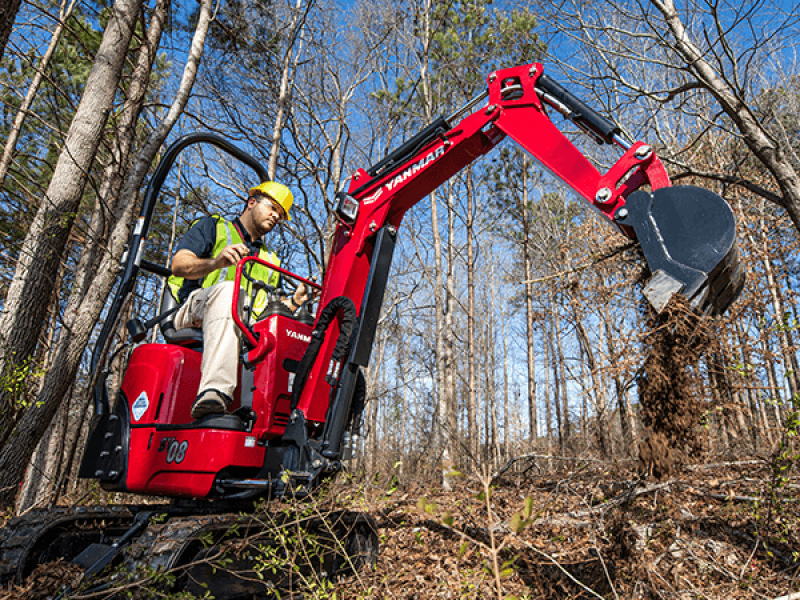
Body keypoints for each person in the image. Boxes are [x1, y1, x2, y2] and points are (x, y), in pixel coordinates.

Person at [169, 181, 313, 419]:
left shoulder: (270, 259)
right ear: (251, 202)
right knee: (228, 290)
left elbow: (269, 312)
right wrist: (216, 262)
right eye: (272, 207)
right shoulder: (214, 227)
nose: (276, 216)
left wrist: (296, 302)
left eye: (280, 214)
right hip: (192, 310)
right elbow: (179, 265)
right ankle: (214, 391)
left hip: (242, 326)